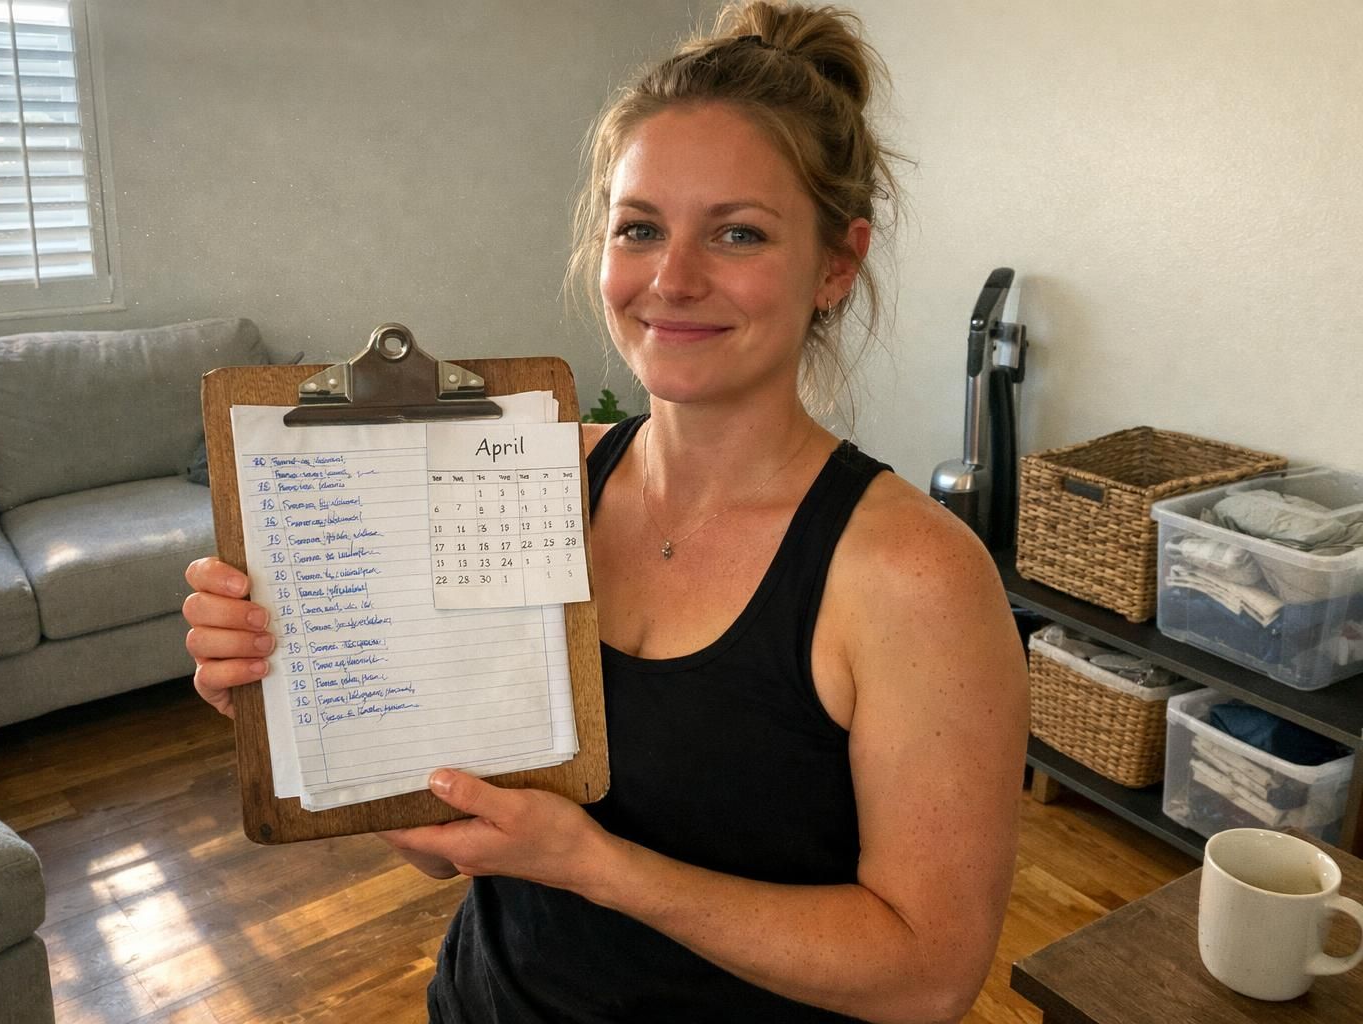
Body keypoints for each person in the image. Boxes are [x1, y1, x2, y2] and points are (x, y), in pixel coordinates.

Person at [183, 3, 1029, 1021]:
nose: (672, 279)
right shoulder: (530, 474)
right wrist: (296, 703)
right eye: (640, 228)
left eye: (739, 232)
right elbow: (444, 841)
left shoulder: (913, 575)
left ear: (836, 264)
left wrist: (596, 866)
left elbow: (929, 974)